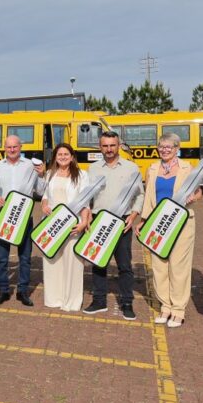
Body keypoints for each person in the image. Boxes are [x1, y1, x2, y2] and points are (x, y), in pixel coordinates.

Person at [144, 133, 203, 328]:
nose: (165, 150)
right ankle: (165, 306)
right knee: (159, 266)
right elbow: (148, 196)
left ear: (177, 148)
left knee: (178, 267)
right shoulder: (152, 169)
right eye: (162, 146)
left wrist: (192, 198)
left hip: (181, 223)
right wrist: (144, 220)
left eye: (169, 146)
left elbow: (199, 192)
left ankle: (178, 309)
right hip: (157, 223)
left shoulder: (187, 168)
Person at [83, 131, 145, 319]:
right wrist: (87, 217)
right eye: (105, 146)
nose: (109, 149)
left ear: (118, 146)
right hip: (99, 221)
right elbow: (87, 196)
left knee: (125, 265)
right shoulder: (93, 169)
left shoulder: (131, 168)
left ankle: (127, 302)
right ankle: (99, 300)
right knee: (98, 263)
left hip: (122, 223)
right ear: (100, 147)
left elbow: (140, 194)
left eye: (112, 145)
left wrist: (133, 215)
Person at [0, 135, 44, 307]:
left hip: (24, 217)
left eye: (15, 147)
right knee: (2, 259)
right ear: (4, 148)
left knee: (25, 258)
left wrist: (42, 175)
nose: (12, 150)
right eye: (9, 147)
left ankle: (22, 291)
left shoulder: (30, 166)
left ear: (21, 147)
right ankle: (3, 291)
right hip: (4, 219)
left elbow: (40, 191)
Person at [40, 143, 92, 312]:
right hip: (52, 223)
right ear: (55, 156)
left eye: (66, 154)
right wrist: (45, 205)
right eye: (59, 154)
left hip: (72, 223)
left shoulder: (82, 175)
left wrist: (84, 222)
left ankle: (71, 301)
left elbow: (85, 200)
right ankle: (54, 298)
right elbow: (45, 196)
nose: (62, 157)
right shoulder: (49, 174)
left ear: (72, 156)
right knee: (52, 259)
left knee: (73, 262)